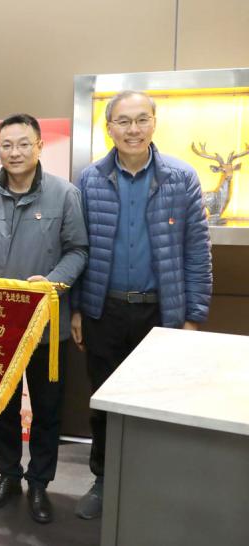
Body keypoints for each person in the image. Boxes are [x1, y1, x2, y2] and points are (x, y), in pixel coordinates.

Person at [71, 91, 212, 519]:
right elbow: (78, 247)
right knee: (104, 402)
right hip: (104, 311)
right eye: (123, 121)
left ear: (154, 122)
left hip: (161, 314)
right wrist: (76, 308)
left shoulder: (181, 178)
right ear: (108, 127)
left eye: (141, 120)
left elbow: (197, 252)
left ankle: (155, 488)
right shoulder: (89, 179)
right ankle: (103, 481)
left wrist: (192, 318)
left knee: (158, 403)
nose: (133, 129)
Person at [0, 114, 88, 523]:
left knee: (47, 407)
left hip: (46, 324)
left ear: (39, 146)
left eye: (23, 144)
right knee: (1, 403)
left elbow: (78, 250)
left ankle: (39, 482)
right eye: (7, 145)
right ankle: (7, 475)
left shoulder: (65, 194)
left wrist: (53, 283)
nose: (14, 152)